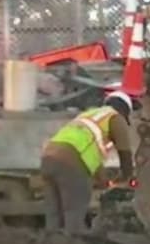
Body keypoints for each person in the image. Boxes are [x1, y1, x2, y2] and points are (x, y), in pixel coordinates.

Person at [40, 91, 139, 232]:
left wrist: (104, 181)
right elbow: (125, 152)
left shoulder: (88, 116)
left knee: (54, 215)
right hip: (71, 162)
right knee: (74, 213)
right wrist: (127, 177)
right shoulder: (115, 117)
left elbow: (93, 160)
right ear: (124, 110)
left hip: (48, 159)